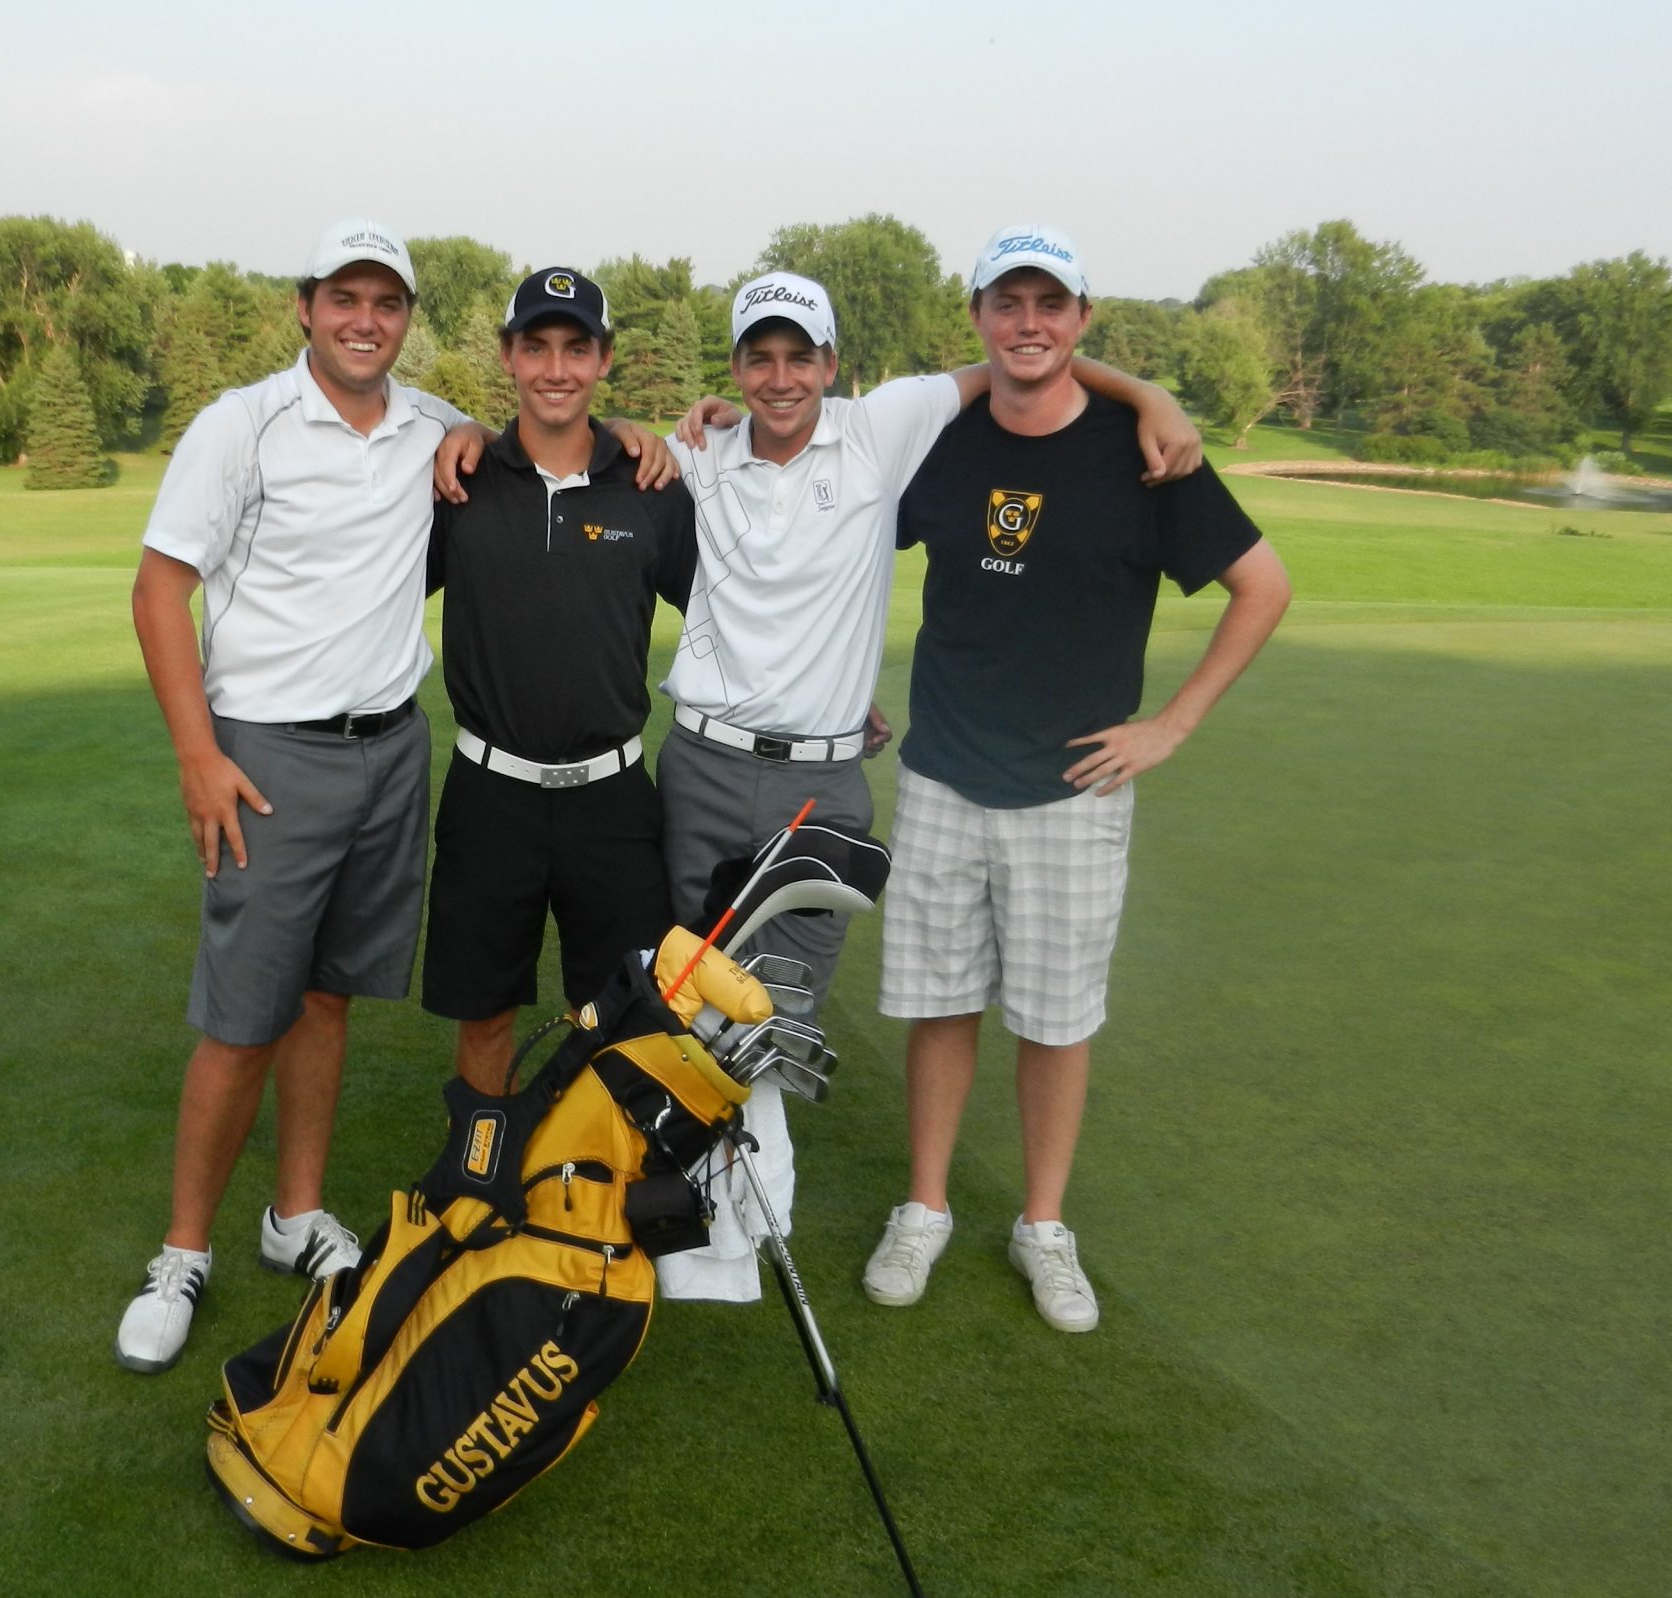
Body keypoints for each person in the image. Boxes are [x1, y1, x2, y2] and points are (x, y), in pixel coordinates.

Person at [114, 220, 671, 1373]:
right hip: (266, 755)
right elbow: (159, 586)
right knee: (241, 1015)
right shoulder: (244, 424)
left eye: (386, 302)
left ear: (408, 318)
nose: (364, 319)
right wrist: (196, 753)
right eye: (344, 299)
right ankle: (181, 1252)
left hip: (389, 752)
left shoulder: (436, 433)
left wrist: (648, 435)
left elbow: (553, 456)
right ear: (307, 306)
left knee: (327, 997)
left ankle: (294, 1215)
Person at [649, 272, 1205, 1301]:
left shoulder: (880, 425)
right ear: (732, 368)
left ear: (830, 363)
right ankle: (691, 1208)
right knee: (688, 991)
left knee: (780, 1008)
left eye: (798, 357)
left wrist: (1145, 393)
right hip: (702, 759)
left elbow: (1020, 353)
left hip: (819, 775)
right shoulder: (694, 451)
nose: (779, 378)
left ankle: (746, 1212)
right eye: (757, 358)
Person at [860, 224, 1291, 1335]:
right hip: (947, 772)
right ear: (979, 317)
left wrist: (1171, 725)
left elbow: (1264, 586)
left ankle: (1042, 1223)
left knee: (1054, 1021)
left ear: (1082, 317)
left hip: (1073, 789)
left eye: (1050, 304)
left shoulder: (1146, 453)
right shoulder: (940, 439)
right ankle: (925, 1205)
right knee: (941, 1004)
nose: (1029, 323)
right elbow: (840, 530)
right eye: (1008, 303)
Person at [422, 268, 697, 1093]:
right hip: (489, 791)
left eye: (576, 348)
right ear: (507, 356)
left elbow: (727, 615)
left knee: (617, 1014)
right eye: (535, 347)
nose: (555, 368)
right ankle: (479, 1201)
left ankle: (594, 1206)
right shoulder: (460, 483)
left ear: (604, 359)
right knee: (486, 1012)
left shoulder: (650, 486)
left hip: (612, 803)